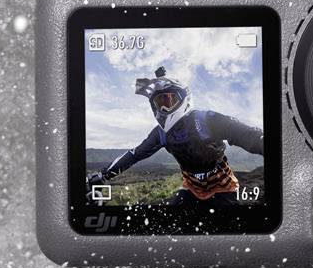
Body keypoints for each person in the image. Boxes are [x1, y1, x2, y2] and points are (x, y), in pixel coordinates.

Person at [91, 67, 265, 215]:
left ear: (184, 99)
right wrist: (103, 175)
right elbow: (135, 154)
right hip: (191, 189)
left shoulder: (205, 120)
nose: (164, 108)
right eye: (159, 103)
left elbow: (245, 134)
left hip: (223, 188)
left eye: (169, 100)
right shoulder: (161, 133)